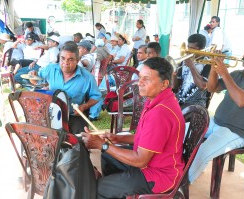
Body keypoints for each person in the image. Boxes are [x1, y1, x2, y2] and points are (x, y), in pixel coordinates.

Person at [81, 57, 185, 198]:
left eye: (146, 79)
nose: (139, 83)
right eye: (140, 77)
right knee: (107, 156)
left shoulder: (160, 113)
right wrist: (117, 138)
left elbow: (141, 160)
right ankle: (118, 191)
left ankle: (110, 190)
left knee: (99, 188)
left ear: (164, 84)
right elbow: (145, 138)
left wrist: (103, 145)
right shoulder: (156, 100)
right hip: (150, 163)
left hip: (158, 176)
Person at [188, 41, 244, 183]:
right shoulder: (237, 74)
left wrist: (224, 72)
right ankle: (171, 171)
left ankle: (181, 186)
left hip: (237, 131)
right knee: (180, 130)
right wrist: (214, 69)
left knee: (203, 151)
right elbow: (212, 88)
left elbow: (242, 101)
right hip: (215, 121)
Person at [29, 42, 102, 134]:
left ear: (77, 60)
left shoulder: (87, 77)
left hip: (73, 115)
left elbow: (96, 96)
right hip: (51, 113)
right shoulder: (51, 69)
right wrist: (32, 76)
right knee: (39, 136)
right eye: (62, 58)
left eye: (70, 59)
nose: (65, 63)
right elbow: (36, 80)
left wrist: (84, 106)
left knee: (79, 142)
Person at [174, 34, 210, 108]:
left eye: (192, 49)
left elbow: (202, 86)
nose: (188, 51)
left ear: (201, 49)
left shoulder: (208, 64)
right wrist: (173, 74)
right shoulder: (184, 61)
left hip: (196, 104)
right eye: (188, 47)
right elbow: (175, 86)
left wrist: (191, 66)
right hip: (179, 100)